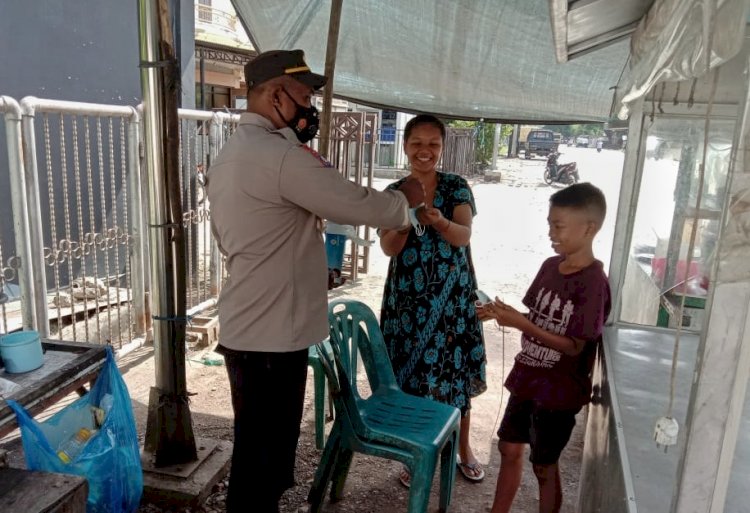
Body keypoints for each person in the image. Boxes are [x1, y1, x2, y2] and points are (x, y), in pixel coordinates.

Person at [206, 49, 425, 513]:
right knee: (262, 463)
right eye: (304, 97)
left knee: (259, 454)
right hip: (270, 338)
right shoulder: (277, 155)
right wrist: (403, 198)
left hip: (254, 327)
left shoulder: (231, 155)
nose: (310, 109)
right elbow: (355, 203)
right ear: (275, 94)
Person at [477, 182, 611, 513]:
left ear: (589, 228)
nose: (550, 232)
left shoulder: (594, 283)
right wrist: (503, 314)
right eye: (549, 223)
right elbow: (539, 318)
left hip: (559, 392)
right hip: (527, 378)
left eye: (558, 225)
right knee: (509, 449)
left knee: (544, 466)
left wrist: (521, 324)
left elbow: (575, 345)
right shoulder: (550, 267)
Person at [379, 114, 487, 487]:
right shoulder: (394, 190)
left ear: (441, 148)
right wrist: (406, 219)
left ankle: (463, 450)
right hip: (406, 304)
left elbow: (462, 237)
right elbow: (389, 248)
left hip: (450, 302)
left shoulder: (457, 186)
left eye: (433, 144)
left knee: (452, 378)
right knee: (412, 379)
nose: (425, 151)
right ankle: (416, 453)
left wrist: (439, 221)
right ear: (405, 146)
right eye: (417, 143)